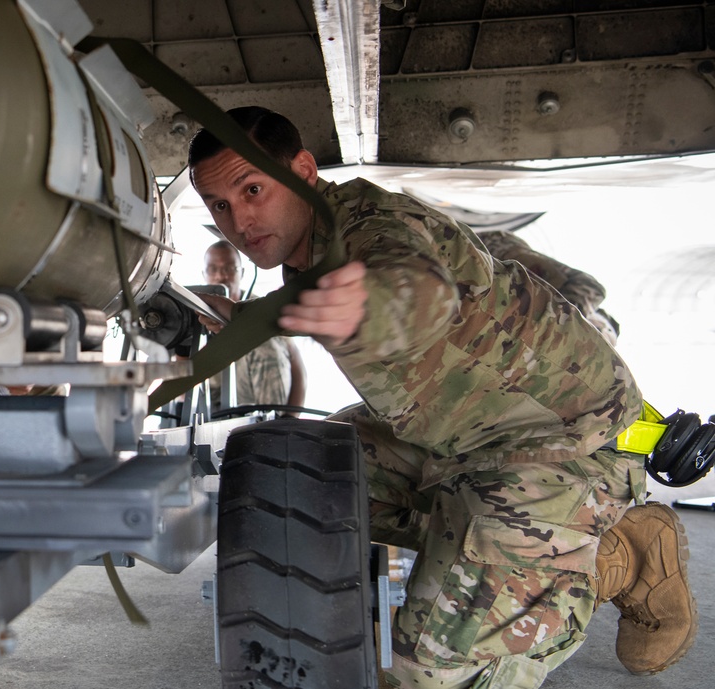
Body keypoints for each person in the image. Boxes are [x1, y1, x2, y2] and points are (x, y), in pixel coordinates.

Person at [187, 106, 697, 688]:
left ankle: (615, 561)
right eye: (220, 205)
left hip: (558, 444)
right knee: (304, 470)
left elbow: (418, 288)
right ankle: (517, 556)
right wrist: (236, 316)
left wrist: (370, 308)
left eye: (253, 188)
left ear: (304, 171)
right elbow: (306, 303)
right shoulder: (306, 248)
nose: (241, 219)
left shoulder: (371, 224)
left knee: (430, 673)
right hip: (453, 434)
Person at [202, 240, 306, 414]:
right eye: (213, 269)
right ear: (204, 274)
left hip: (257, 402)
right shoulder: (197, 312)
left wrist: (289, 420)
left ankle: (270, 426)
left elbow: (297, 366)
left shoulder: (261, 310)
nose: (221, 276)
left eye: (229, 268)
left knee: (265, 345)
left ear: (241, 273)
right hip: (212, 403)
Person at [477, 230, 620, 346]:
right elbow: (588, 288)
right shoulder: (588, 291)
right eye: (599, 331)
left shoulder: (547, 337)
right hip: (490, 247)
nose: (591, 334)